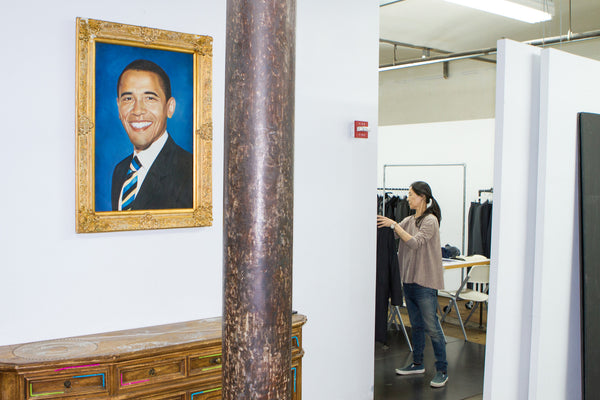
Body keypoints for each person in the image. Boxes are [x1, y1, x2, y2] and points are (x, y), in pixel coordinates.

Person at [376, 181, 448, 388]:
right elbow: (394, 232)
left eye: (411, 194)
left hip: (425, 283)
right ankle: (417, 363)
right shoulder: (409, 220)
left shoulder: (430, 221)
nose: (408, 198)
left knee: (432, 327)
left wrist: (394, 225)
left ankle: (442, 370)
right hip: (409, 280)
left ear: (422, 197)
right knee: (416, 325)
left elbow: (415, 243)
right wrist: (386, 225)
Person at [111, 59, 193, 211]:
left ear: (170, 107)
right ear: (118, 107)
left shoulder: (191, 173)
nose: (137, 110)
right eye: (128, 99)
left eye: (150, 98)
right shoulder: (120, 171)